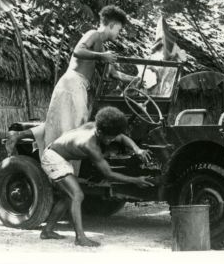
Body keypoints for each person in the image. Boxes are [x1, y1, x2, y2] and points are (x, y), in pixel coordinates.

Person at [6, 5, 140, 158]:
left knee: (60, 125)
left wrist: (133, 79)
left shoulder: (100, 45)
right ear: (112, 25)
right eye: (119, 29)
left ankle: (17, 136)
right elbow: (78, 51)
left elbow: (112, 73)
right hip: (72, 83)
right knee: (76, 129)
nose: (118, 33)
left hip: (78, 86)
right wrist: (102, 56)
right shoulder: (93, 34)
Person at [39, 106, 154, 247]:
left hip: (61, 155)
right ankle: (80, 238)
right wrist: (136, 180)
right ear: (100, 132)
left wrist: (138, 150)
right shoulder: (89, 144)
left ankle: (47, 231)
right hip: (53, 158)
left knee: (67, 197)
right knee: (77, 195)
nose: (112, 141)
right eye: (110, 138)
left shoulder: (98, 126)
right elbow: (109, 174)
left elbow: (121, 136)